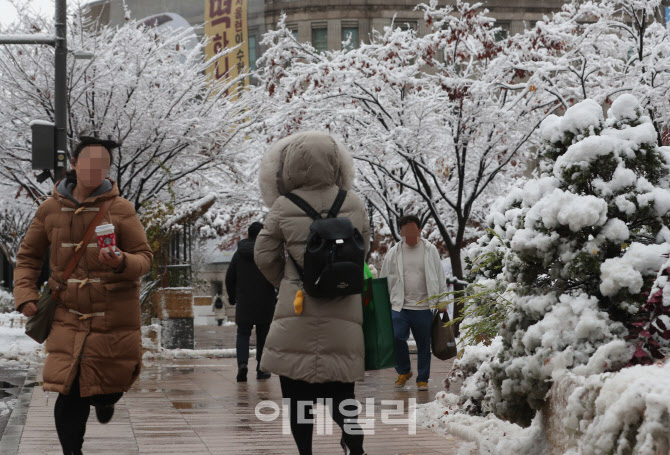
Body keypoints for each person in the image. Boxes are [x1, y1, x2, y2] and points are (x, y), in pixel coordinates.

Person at [14, 135, 152, 455]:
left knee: (109, 387)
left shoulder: (121, 208)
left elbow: (144, 257)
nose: (95, 169)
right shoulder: (50, 208)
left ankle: (106, 399)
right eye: (89, 162)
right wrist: (25, 294)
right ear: (74, 164)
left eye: (102, 164)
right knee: (69, 395)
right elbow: (28, 257)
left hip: (113, 312)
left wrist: (121, 262)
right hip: (68, 312)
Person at [254, 131, 369, 455]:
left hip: (298, 311)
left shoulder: (283, 206)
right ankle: (353, 438)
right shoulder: (353, 203)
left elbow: (263, 256)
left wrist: (287, 281)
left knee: (297, 398)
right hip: (343, 313)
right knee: (341, 391)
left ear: (287, 165)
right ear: (336, 163)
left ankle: (306, 452)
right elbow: (363, 250)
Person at [380, 215, 448, 391]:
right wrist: (382, 302)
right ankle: (404, 370)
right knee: (396, 337)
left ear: (419, 230)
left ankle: (422, 378)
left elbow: (439, 275)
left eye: (412, 230)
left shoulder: (429, 249)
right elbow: (384, 277)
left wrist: (442, 300)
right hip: (399, 305)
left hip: (424, 305)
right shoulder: (394, 252)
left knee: (423, 344)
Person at [225, 222, 277, 382]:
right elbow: (277, 274)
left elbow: (230, 277)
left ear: (248, 235)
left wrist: (232, 296)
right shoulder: (268, 253)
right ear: (262, 236)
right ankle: (261, 369)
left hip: (244, 301)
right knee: (263, 336)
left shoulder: (239, 254)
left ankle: (242, 365)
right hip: (266, 301)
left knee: (242, 334)